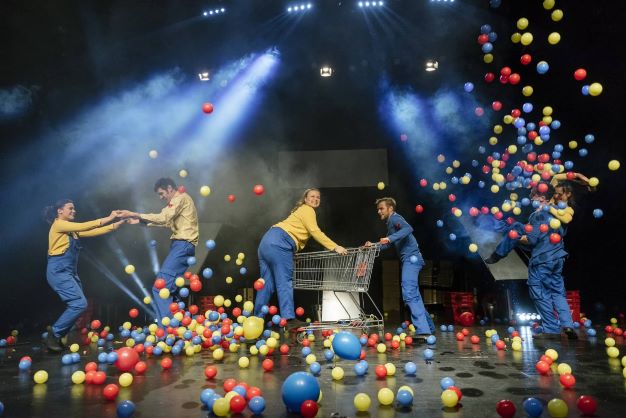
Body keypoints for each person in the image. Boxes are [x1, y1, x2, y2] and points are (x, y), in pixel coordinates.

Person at [253, 188, 347, 329]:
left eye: (318, 197)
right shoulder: (308, 210)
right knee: (284, 281)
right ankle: (289, 319)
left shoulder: (299, 211)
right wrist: (335, 247)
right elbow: (314, 231)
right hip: (280, 242)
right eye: (312, 196)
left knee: (265, 285)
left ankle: (255, 322)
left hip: (266, 242)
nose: (315, 199)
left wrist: (291, 252)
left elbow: (296, 233)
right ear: (306, 199)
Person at [44, 200, 124, 352]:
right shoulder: (59, 224)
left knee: (80, 305)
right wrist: (110, 217)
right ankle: (54, 335)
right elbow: (85, 226)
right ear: (60, 211)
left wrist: (116, 225)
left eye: (74, 208)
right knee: (79, 304)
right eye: (70, 208)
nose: (74, 211)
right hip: (59, 271)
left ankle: (57, 336)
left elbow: (93, 231)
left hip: (69, 272)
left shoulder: (71, 231)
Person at [118, 178, 199, 322]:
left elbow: (163, 218)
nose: (161, 197)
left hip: (182, 245)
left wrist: (134, 214)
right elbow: (167, 222)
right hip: (183, 246)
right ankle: (179, 326)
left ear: (169, 188)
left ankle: (169, 330)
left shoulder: (180, 198)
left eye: (162, 193)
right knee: (171, 290)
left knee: (160, 289)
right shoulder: (180, 201)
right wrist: (140, 221)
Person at [366, 197, 435, 337]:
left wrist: (389, 238)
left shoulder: (394, 218)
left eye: (381, 208)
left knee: (409, 292)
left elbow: (408, 229)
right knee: (414, 294)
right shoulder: (391, 223)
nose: (379, 211)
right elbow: (388, 244)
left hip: (412, 259)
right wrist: (373, 246)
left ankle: (423, 330)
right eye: (378, 209)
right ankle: (428, 326)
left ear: (390, 208)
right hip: (411, 260)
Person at [519, 185, 577, 339]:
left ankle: (551, 329)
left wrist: (516, 238)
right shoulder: (561, 212)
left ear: (542, 197)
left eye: (533, 195)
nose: (531, 198)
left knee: (539, 293)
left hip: (542, 260)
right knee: (558, 293)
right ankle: (568, 325)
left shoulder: (537, 215)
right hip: (558, 259)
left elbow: (532, 240)